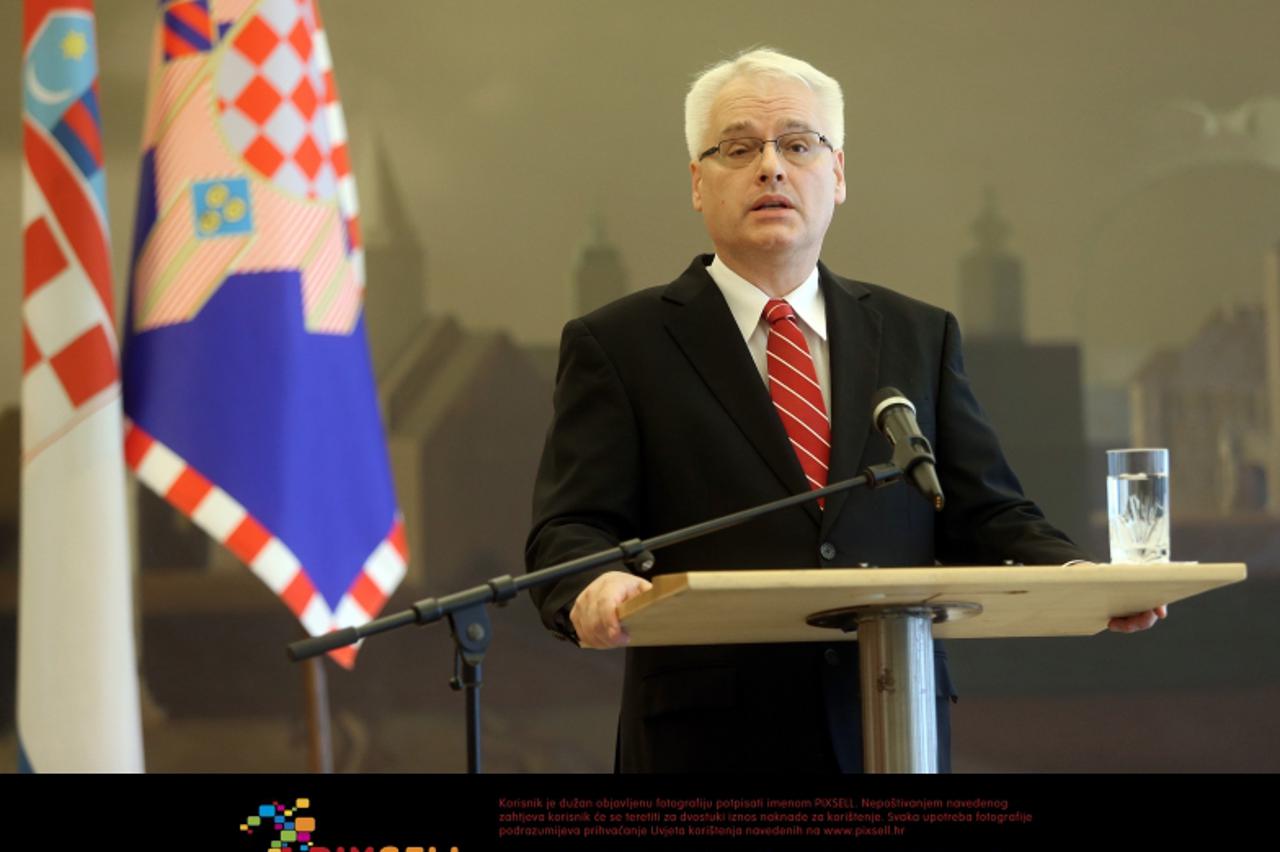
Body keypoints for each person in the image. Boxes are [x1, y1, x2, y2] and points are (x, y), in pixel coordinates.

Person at [525, 48, 1164, 773]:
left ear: (838, 174)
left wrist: (1078, 578)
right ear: (698, 184)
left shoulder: (917, 335)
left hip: (892, 724)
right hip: (705, 745)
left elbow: (985, 513)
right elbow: (569, 530)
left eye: (799, 145)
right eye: (739, 148)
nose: (771, 167)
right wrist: (594, 585)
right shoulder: (620, 345)